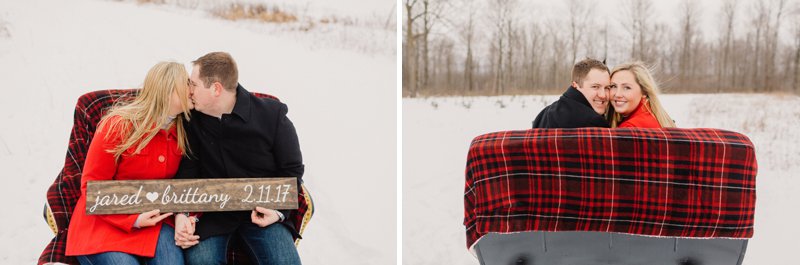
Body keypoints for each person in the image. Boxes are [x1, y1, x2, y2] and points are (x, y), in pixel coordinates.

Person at [173, 52, 304, 265]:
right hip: (213, 215)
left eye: (193, 84)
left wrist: (278, 212)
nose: (189, 91)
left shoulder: (272, 115)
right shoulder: (192, 120)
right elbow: (188, 171)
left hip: (261, 212)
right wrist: (182, 214)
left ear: (216, 89)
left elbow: (292, 171)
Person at [65, 61, 194, 264]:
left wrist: (186, 216)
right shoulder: (118, 125)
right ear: (168, 90)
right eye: (186, 83)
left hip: (155, 224)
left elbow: (191, 180)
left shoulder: (185, 129)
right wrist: (133, 219)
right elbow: (92, 186)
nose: (192, 89)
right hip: (104, 223)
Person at [532, 58, 611, 128]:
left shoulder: (544, 114)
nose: (603, 95)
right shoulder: (593, 123)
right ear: (575, 86)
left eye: (607, 88)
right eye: (595, 87)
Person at [607, 62, 675, 128]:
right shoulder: (652, 114)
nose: (618, 94)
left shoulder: (630, 128)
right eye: (613, 86)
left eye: (627, 88)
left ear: (644, 92)